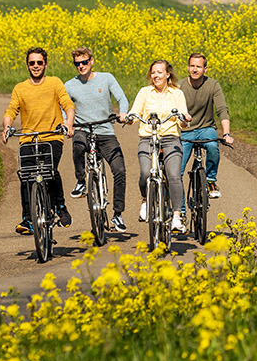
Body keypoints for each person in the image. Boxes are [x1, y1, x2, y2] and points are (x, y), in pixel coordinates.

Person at [3, 46, 74, 235]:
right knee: (26, 175)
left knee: (49, 170)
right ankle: (28, 218)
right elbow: (11, 110)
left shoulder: (54, 83)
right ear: (27, 66)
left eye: (39, 63)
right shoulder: (20, 88)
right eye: (32, 63)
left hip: (52, 136)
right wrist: (7, 126)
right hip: (27, 139)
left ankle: (60, 207)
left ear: (45, 64)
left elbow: (67, 104)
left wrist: (69, 122)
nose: (36, 66)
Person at [64, 46, 131, 234]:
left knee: (119, 169)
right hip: (82, 129)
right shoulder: (69, 85)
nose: (81, 66)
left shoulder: (107, 78)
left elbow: (122, 99)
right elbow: (64, 106)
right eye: (77, 64)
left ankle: (117, 213)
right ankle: (81, 182)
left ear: (91, 61)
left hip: (105, 129)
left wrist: (123, 112)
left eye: (84, 62)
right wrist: (67, 123)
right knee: (77, 146)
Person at [128, 59, 190, 234]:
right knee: (146, 173)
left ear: (168, 74)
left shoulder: (177, 94)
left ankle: (177, 216)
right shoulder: (144, 92)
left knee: (173, 175)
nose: (155, 75)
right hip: (148, 138)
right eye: (153, 72)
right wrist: (130, 117)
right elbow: (135, 111)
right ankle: (146, 201)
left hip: (171, 138)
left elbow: (182, 118)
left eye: (159, 72)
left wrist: (185, 120)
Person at [179, 52, 233, 199]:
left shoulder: (213, 85)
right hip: (185, 131)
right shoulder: (180, 86)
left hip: (206, 129)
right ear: (188, 67)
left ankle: (210, 180)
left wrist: (226, 133)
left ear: (205, 69)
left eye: (198, 66)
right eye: (192, 66)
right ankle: (181, 213)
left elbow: (222, 110)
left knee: (213, 146)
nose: (195, 70)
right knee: (177, 173)